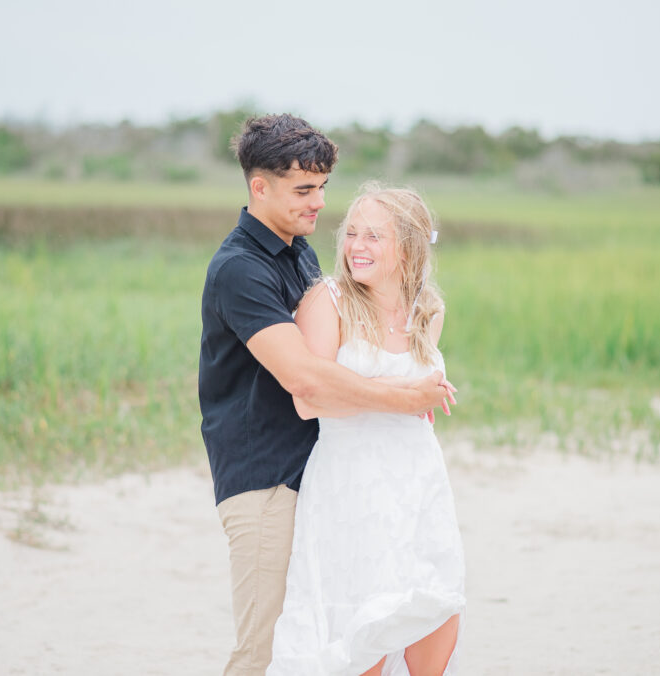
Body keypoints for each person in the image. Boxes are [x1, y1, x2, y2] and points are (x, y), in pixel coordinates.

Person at [199, 114, 455, 676]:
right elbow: (306, 381)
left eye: (321, 188)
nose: (318, 203)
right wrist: (408, 398)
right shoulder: (240, 270)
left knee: (329, 638)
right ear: (258, 186)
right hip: (264, 479)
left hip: (321, 479)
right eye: (303, 190)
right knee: (266, 648)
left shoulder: (300, 256)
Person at [267, 184, 465, 676]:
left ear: (410, 246)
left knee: (434, 607)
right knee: (359, 631)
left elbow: (417, 398)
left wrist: (423, 394)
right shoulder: (328, 301)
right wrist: (406, 396)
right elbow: (308, 400)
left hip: (418, 481)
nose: (357, 245)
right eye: (352, 232)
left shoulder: (428, 311)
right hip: (350, 485)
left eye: (374, 236)